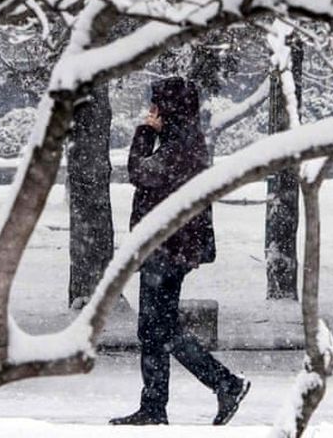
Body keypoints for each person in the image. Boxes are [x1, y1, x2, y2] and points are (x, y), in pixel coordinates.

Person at [111, 77, 249, 427]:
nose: (152, 112)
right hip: (168, 246)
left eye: (157, 105)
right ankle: (158, 405)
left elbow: (140, 172)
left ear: (170, 108)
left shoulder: (183, 144)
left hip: (169, 248)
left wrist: (143, 132)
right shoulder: (182, 139)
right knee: (156, 327)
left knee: (159, 328)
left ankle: (223, 384)